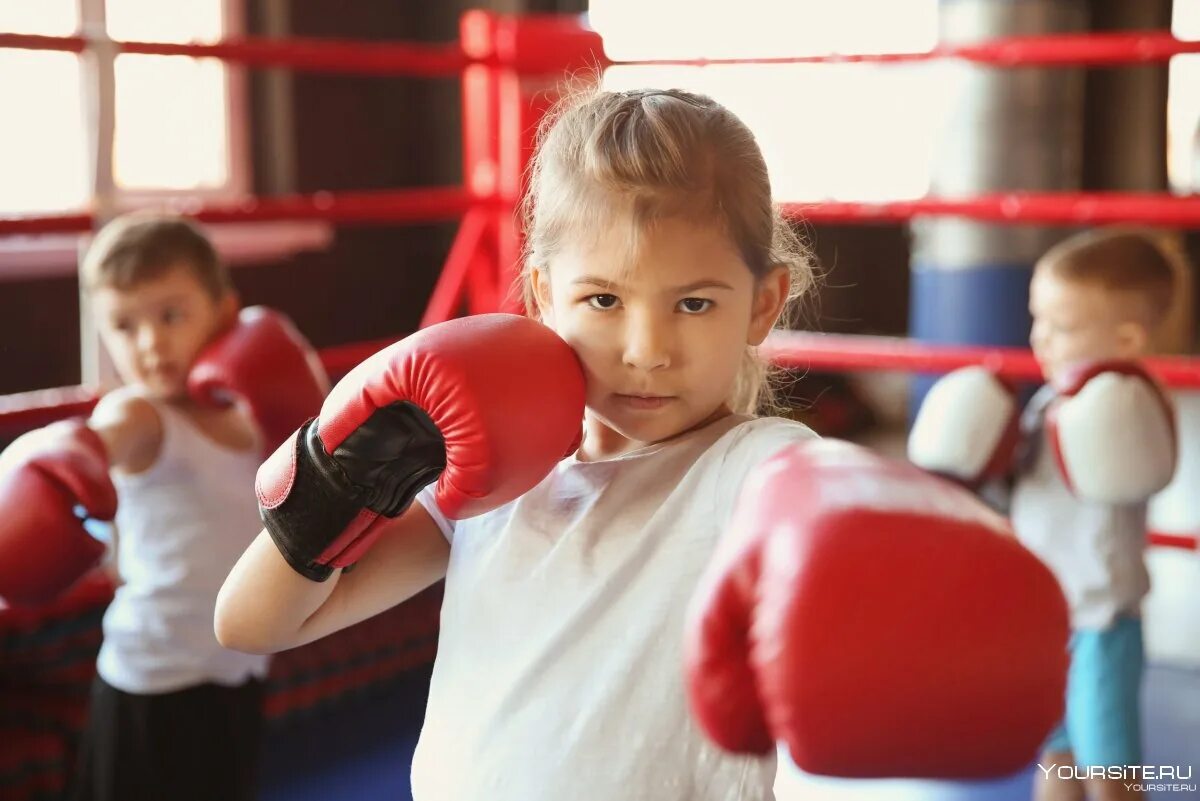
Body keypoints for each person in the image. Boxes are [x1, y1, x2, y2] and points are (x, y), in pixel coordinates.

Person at [215, 88, 1068, 800]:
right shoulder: (489, 479)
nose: (647, 348)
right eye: (603, 300)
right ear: (543, 291)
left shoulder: (752, 466)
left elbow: (824, 488)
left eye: (693, 303)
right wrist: (340, 473)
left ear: (763, 305)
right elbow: (251, 623)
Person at [0, 212, 327, 801]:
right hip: (151, 679)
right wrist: (75, 457)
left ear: (224, 312)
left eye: (170, 315)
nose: (150, 344)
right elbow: (103, 440)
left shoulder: (254, 418)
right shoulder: (142, 416)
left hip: (235, 669)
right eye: (125, 326)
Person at [909, 228, 1178, 801]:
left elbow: (1132, 476)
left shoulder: (1130, 405)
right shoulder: (1048, 401)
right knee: (1054, 752)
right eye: (1039, 319)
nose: (1041, 339)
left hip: (1101, 621)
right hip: (1040, 614)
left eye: (1064, 326)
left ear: (1127, 337)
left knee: (1108, 765)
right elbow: (1021, 497)